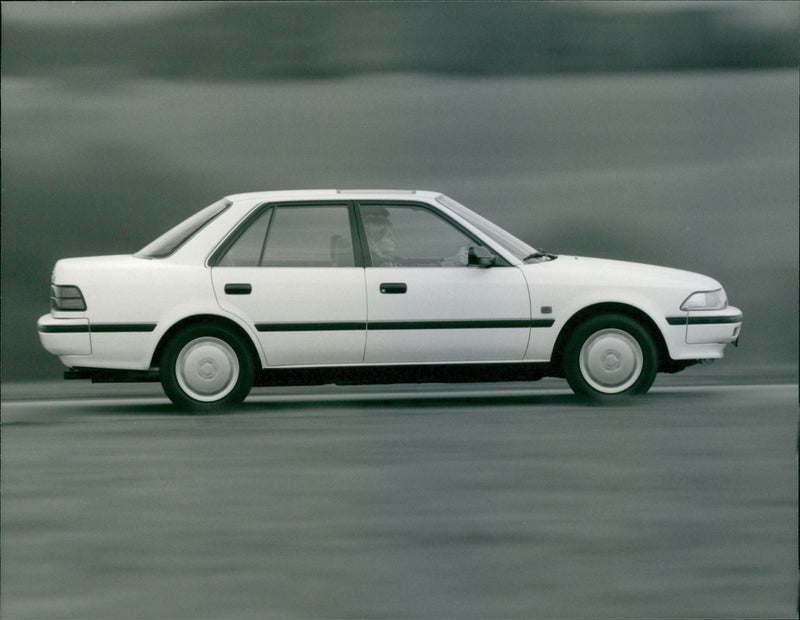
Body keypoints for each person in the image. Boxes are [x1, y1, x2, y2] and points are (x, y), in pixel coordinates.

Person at [362, 206, 469, 267]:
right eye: (388, 236)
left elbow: (409, 261)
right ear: (373, 241)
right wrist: (451, 263)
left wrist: (448, 259)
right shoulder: (382, 264)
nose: (394, 240)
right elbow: (413, 268)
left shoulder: (381, 259)